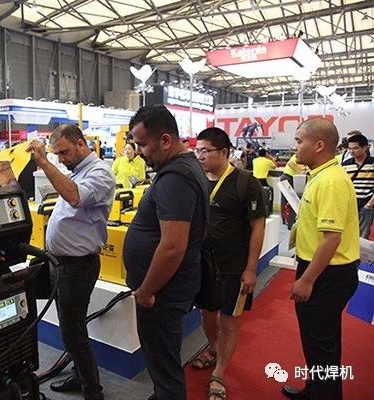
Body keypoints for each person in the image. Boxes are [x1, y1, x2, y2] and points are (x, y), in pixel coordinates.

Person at [123, 105, 208, 400]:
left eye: (143, 144)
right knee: (163, 361)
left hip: (162, 293)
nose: (140, 152)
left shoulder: (175, 177)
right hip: (170, 288)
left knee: (164, 366)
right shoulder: (184, 167)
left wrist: (147, 291)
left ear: (166, 140)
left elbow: (173, 246)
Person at [26, 125, 115, 400]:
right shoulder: (76, 171)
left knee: (72, 332)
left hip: (77, 267)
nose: (61, 158)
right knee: (73, 328)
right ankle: (80, 376)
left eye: (64, 152)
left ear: (81, 144)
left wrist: (44, 163)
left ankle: (92, 392)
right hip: (60, 263)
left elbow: (75, 197)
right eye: (57, 154)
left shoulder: (99, 172)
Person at [281, 119, 359, 400]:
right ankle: (315, 390)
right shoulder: (321, 174)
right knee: (320, 343)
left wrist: (307, 279)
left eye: (299, 141)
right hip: (324, 270)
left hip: (327, 274)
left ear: (319, 145)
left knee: (321, 346)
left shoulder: (330, 181)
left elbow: (331, 239)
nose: (295, 147)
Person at [191, 127, 267, 400]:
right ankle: (215, 347)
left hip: (234, 266)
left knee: (229, 320)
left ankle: (219, 373)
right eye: (197, 151)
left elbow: (257, 227)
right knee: (207, 313)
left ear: (223, 152)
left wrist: (251, 269)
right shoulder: (197, 179)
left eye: (205, 151)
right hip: (204, 264)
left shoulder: (246, 182)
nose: (199, 156)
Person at [341, 134, 374, 238]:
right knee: (348, 235)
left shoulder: (372, 163)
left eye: (355, 148)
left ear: (365, 147)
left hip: (366, 205)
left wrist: (369, 204)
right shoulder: (346, 164)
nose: (351, 151)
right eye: (350, 148)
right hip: (349, 205)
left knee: (362, 236)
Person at [281, 154, 308, 228]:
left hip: (289, 178)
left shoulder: (303, 160)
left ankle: (286, 218)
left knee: (288, 199)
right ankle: (285, 218)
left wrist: (303, 170)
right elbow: (290, 163)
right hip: (287, 177)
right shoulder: (298, 155)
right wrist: (299, 171)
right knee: (287, 199)